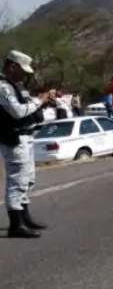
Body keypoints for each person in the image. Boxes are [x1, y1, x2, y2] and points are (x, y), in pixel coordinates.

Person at [0, 50, 52, 238]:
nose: (25, 74)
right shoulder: (3, 87)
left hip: (27, 137)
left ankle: (25, 217)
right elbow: (17, 111)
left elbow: (30, 108)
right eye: (22, 70)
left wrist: (43, 103)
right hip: (14, 139)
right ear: (12, 66)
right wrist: (40, 100)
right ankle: (16, 224)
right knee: (17, 182)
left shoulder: (17, 86)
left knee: (28, 179)